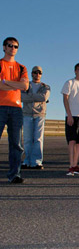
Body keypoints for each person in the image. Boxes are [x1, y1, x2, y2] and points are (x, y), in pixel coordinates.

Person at [0, 37, 29, 183]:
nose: (13, 48)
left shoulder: (21, 68)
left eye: (16, 46)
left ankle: (14, 175)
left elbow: (25, 87)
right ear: (4, 47)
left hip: (16, 108)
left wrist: (5, 82)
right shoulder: (0, 64)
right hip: (0, 107)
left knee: (16, 144)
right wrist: (15, 84)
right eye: (10, 46)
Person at [21, 66, 51, 169]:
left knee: (38, 139)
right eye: (35, 72)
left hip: (40, 115)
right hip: (27, 114)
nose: (37, 74)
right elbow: (21, 97)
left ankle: (37, 161)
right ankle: (27, 161)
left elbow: (44, 97)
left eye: (39, 72)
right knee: (28, 139)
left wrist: (30, 97)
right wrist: (36, 97)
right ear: (31, 74)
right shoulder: (26, 85)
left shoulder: (45, 87)